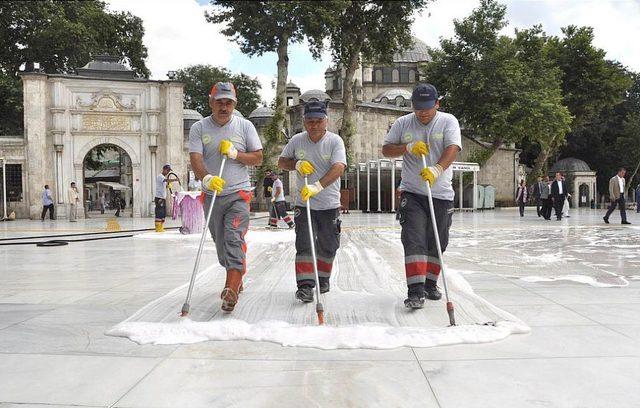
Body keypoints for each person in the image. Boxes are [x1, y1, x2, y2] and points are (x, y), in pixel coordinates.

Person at [382, 83, 462, 309]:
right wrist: (407, 147)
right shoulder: (403, 123)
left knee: (437, 241)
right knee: (414, 240)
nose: (423, 112)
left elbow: (452, 148)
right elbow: (386, 150)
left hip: (441, 193)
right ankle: (415, 291)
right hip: (413, 192)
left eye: (428, 107)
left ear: (437, 104)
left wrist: (437, 169)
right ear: (412, 106)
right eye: (418, 108)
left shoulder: (448, 121)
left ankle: (430, 283)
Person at [189, 81, 263, 312]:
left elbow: (258, 157)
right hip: (212, 195)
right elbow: (196, 158)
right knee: (221, 244)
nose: (224, 107)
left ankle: (230, 288)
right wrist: (206, 178)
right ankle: (235, 275)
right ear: (211, 102)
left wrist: (235, 154)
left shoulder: (245, 126)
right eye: (219, 102)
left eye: (228, 102)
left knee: (233, 238)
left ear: (234, 104)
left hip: (238, 194)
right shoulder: (199, 128)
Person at [278, 101, 346, 303]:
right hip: (304, 204)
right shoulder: (297, 141)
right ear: (304, 121)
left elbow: (339, 167)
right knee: (305, 244)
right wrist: (296, 163)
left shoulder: (335, 141)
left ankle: (323, 278)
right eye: (310, 121)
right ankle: (305, 285)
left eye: (318, 121)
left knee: (328, 245)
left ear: (326, 121)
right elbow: (282, 161)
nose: (314, 125)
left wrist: (317, 186)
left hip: (329, 204)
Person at [154, 164, 171, 232]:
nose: (168, 172)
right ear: (164, 169)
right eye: (168, 170)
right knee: (159, 212)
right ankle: (158, 228)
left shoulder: (163, 178)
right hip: (159, 198)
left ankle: (161, 227)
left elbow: (164, 184)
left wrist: (167, 186)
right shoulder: (160, 176)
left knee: (163, 213)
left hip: (163, 198)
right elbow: (165, 180)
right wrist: (175, 179)